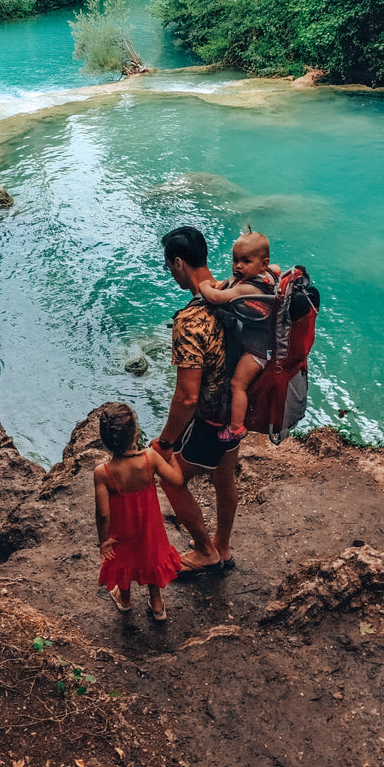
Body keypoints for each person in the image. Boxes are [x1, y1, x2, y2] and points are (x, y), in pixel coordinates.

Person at [152, 226, 239, 575]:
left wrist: (166, 441)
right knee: (224, 476)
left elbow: (187, 396)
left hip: (210, 419)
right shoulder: (234, 295)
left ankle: (206, 552)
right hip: (238, 411)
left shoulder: (190, 321)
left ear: (177, 263)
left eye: (167, 267)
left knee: (171, 479)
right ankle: (223, 544)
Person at [94, 402, 184, 620]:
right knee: (150, 558)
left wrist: (104, 540)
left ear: (105, 440)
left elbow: (103, 513)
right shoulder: (150, 458)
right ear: (135, 434)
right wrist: (170, 455)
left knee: (124, 560)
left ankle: (124, 600)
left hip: (122, 529)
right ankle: (157, 604)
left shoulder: (103, 473)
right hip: (149, 526)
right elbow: (177, 480)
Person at [199, 230, 280, 444]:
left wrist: (204, 285)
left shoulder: (246, 288)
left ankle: (236, 427)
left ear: (263, 264)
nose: (238, 266)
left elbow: (216, 297)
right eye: (235, 260)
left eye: (246, 261)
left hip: (259, 351)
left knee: (238, 384)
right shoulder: (270, 275)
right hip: (268, 344)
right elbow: (277, 268)